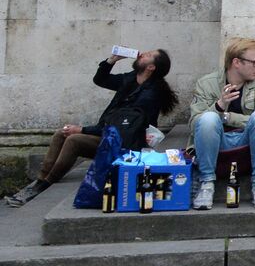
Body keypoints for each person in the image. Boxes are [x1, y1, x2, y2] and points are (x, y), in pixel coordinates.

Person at [8, 49, 178, 208]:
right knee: (61, 134)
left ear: (151, 67)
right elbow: (100, 80)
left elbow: (122, 128)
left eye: (148, 55)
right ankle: (39, 180)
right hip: (108, 135)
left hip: (124, 144)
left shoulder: (151, 94)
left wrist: (82, 130)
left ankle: (45, 184)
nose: (142, 54)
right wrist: (112, 60)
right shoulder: (131, 79)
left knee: (74, 140)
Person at [189, 38, 255, 210]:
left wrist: (227, 116)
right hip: (216, 145)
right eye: (254, 62)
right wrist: (219, 106)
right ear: (236, 62)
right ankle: (206, 183)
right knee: (208, 118)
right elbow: (194, 125)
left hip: (247, 145)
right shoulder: (206, 84)